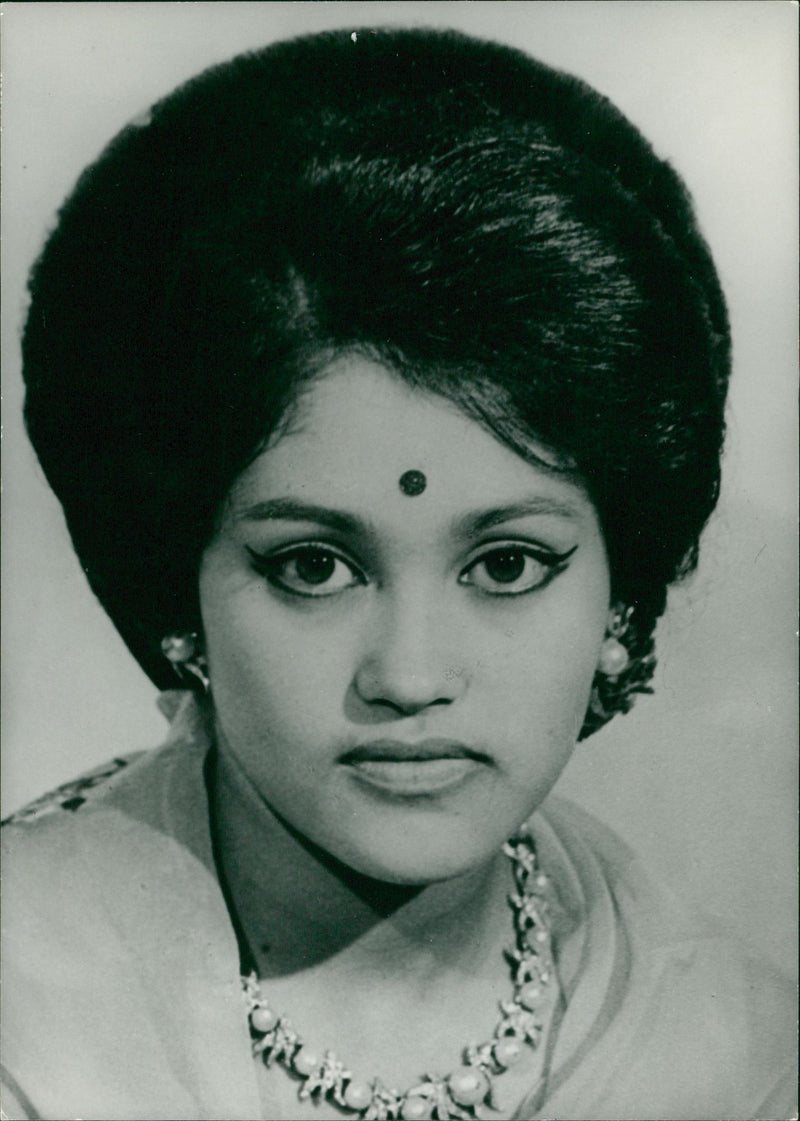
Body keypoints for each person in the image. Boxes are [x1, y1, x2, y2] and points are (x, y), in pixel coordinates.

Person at [1, 26, 793, 1121]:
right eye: (313, 565)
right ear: (173, 594)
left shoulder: (729, 1047)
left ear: (619, 596)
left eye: (507, 563)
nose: (409, 675)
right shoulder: (22, 1007)